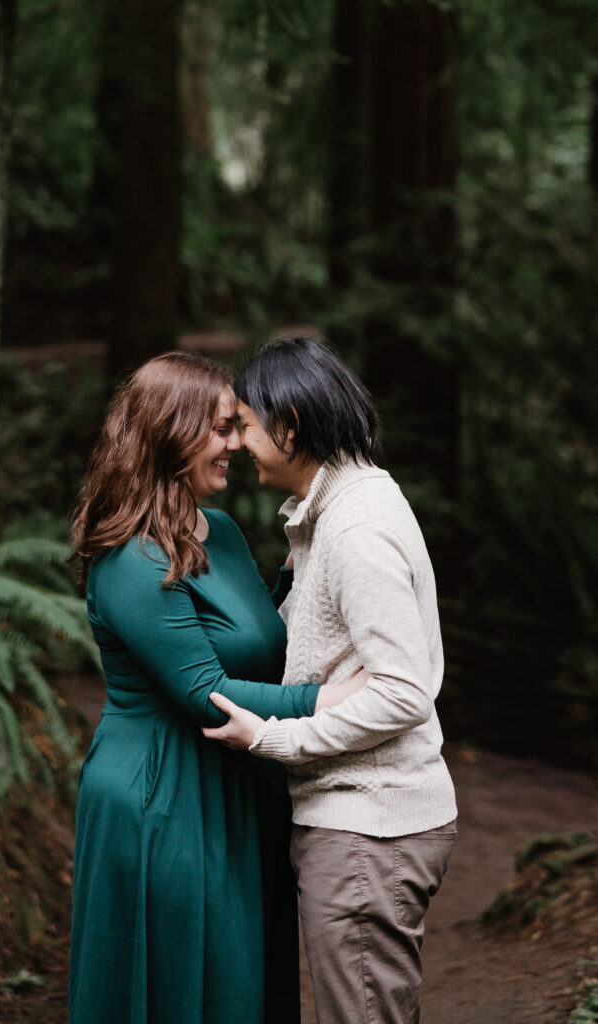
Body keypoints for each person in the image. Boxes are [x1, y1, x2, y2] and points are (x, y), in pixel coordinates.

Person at [68, 351, 365, 1024]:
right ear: (171, 432)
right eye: (221, 427)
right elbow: (207, 691)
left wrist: (306, 572)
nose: (236, 443)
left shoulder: (222, 533)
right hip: (162, 795)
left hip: (236, 782)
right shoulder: (131, 558)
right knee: (179, 983)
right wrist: (336, 700)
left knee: (239, 975)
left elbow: (254, 640)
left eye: (237, 426)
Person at [204, 336, 458, 1024]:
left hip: (365, 827)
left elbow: (402, 691)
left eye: (246, 426)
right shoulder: (342, 509)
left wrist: (273, 738)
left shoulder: (355, 529)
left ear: (288, 426)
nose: (237, 444)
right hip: (361, 825)